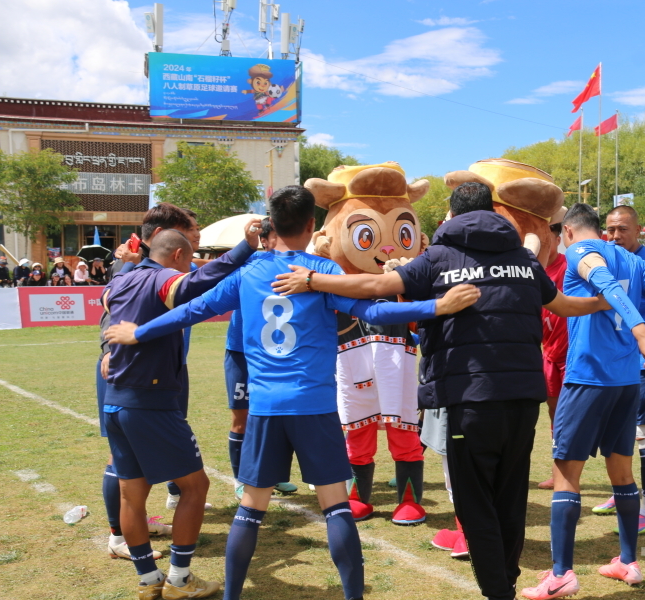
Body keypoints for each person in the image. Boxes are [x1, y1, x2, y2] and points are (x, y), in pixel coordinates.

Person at [271, 183, 645, 600]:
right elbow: (561, 305)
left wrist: (314, 279)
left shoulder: (439, 257)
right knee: (510, 497)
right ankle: (506, 579)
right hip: (523, 400)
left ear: (452, 215)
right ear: (494, 214)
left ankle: (498, 590)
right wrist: (603, 302)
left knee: (475, 503)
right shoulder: (523, 260)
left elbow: (377, 287)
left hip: (470, 400)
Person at [104, 185, 481, 600]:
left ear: (271, 224)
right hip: (314, 406)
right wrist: (435, 307)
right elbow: (374, 310)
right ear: (311, 225)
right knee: (335, 506)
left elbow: (192, 310)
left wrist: (138, 333)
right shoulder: (321, 271)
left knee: (250, 510)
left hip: (264, 408)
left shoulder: (248, 272)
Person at [520, 203, 645, 596]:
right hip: (627, 382)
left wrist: (643, 334)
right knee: (622, 473)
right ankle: (628, 562)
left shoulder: (581, 250)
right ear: (600, 227)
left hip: (588, 379)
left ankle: (561, 574)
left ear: (567, 231)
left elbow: (605, 284)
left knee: (566, 475)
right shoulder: (634, 260)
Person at [99, 224, 260, 600]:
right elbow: (198, 282)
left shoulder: (121, 279)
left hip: (115, 399)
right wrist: (246, 246)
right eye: (188, 260)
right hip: (151, 401)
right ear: (176, 256)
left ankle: (148, 580)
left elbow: (107, 314)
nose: (189, 267)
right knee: (195, 487)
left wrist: (106, 351)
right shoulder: (164, 278)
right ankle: (179, 579)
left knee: (131, 495)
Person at [590, 205, 645, 534]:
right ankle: (624, 492)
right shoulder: (606, 259)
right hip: (616, 363)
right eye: (610, 229)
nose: (615, 236)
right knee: (617, 433)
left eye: (622, 229)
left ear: (638, 230)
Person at [226, 218, 296, 499]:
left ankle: (274, 477)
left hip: (277, 353)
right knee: (242, 418)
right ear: (264, 240)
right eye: (276, 235)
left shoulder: (298, 265)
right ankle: (240, 479)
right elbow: (214, 268)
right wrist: (246, 244)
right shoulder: (249, 264)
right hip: (241, 352)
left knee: (278, 415)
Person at [537, 212, 569, 490]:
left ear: (558, 239)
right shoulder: (532, 271)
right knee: (554, 412)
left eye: (548, 237)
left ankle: (568, 474)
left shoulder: (570, 268)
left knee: (572, 413)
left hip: (571, 354)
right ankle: (557, 471)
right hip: (548, 353)